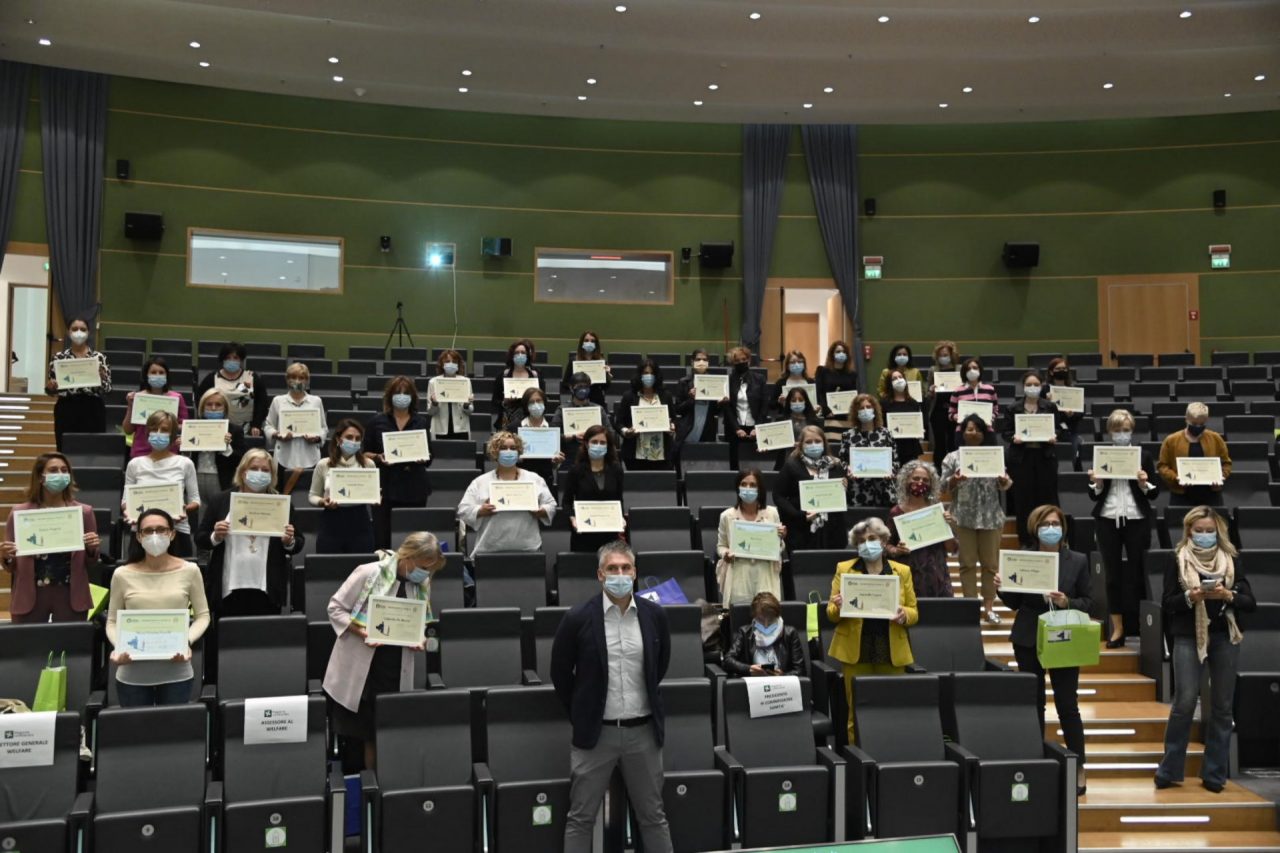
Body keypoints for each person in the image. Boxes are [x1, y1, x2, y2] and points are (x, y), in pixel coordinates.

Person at [550, 540, 673, 853]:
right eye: (612, 568)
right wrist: (583, 712)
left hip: (643, 733)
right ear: (600, 575)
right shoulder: (578, 618)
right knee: (580, 818)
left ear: (634, 573)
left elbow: (659, 666)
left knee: (653, 816)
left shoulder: (654, 616)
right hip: (596, 734)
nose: (620, 574)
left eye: (625, 568)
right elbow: (561, 674)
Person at [1154, 506, 1256, 794]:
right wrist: (1191, 596)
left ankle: (1214, 772)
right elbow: (1168, 603)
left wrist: (1228, 595)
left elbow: (1250, 601)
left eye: (1209, 530)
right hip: (1188, 635)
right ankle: (1170, 769)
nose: (1204, 535)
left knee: (1223, 706)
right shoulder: (1176, 559)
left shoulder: (1232, 559)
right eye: (1199, 531)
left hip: (1225, 634)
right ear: (1189, 531)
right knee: (1185, 700)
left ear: (1218, 531)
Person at [323, 533, 446, 770]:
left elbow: (418, 622)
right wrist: (361, 630)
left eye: (430, 570)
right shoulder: (369, 572)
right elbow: (335, 608)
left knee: (387, 735)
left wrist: (418, 638)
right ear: (408, 557)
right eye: (423, 568)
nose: (426, 574)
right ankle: (364, 793)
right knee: (365, 737)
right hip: (363, 670)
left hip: (395, 667)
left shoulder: (421, 583)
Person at [995, 504, 1091, 795]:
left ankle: (1078, 767)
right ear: (1035, 529)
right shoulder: (1023, 558)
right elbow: (1013, 603)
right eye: (1045, 524)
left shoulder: (1078, 560)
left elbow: (1089, 602)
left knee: (1067, 705)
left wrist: (1066, 602)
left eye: (1055, 523)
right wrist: (1002, 587)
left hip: (1065, 635)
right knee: (1033, 703)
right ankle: (1037, 762)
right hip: (1028, 635)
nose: (1051, 528)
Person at [105, 509, 210, 707]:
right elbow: (112, 621)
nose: (155, 535)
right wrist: (119, 645)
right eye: (148, 530)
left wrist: (186, 640)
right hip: (132, 673)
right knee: (136, 734)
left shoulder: (190, 570)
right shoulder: (121, 574)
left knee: (173, 735)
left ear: (172, 533)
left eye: (161, 530)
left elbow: (203, 616)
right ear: (138, 536)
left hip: (177, 671)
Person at [826, 517, 918, 743]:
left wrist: (904, 614)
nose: (867, 544)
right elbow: (830, 614)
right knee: (855, 710)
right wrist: (837, 606)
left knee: (890, 708)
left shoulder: (902, 571)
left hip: (890, 647)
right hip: (856, 649)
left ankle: (889, 752)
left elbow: (914, 612)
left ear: (884, 541)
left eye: (872, 539)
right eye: (861, 541)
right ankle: (858, 758)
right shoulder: (844, 569)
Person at [198, 449, 303, 618]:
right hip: (228, 586)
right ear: (243, 471)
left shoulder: (281, 504)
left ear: (272, 475)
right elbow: (200, 538)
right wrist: (216, 536)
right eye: (254, 468)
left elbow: (298, 543)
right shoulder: (221, 500)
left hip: (266, 587)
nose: (259, 473)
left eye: (265, 470)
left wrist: (288, 541)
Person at [1, 453, 100, 623]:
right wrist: (6, 555)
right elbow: (10, 565)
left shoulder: (84, 513)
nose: (60, 475)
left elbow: (91, 561)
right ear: (40, 477)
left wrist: (92, 548)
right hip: (31, 596)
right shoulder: (19, 513)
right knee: (29, 648)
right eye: (53, 470)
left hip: (70, 595)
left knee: (70, 648)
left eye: (64, 470)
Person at [1090, 409, 1158, 647]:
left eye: (1126, 430)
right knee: (1112, 575)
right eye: (1117, 430)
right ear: (1110, 432)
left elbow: (1155, 491)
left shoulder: (1144, 455)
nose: (1121, 434)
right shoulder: (1102, 454)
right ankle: (1117, 628)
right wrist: (1097, 483)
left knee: (1138, 572)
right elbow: (1093, 494)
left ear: (1132, 431)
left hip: (1136, 517)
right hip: (1108, 518)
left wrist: (1144, 482)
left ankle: (1140, 625)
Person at [941, 414, 1013, 623]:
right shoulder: (952, 457)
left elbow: (1006, 485)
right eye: (969, 429)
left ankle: (989, 607)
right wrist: (954, 479)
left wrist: (1003, 479)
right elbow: (943, 487)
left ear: (984, 433)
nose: (973, 433)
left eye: (977, 429)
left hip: (990, 517)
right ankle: (970, 606)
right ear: (962, 433)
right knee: (967, 563)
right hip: (963, 518)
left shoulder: (994, 455)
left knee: (990, 564)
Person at [457, 432, 557, 557]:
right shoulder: (480, 482)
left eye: (513, 448)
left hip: (527, 548)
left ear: (519, 451)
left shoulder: (534, 479)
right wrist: (480, 510)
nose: (509, 451)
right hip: (490, 548)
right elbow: (463, 509)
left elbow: (551, 505)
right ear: (495, 452)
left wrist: (540, 511)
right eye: (503, 448)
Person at [365, 375, 432, 548]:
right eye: (397, 393)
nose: (402, 397)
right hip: (385, 488)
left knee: (412, 538)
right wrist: (379, 457)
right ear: (389, 396)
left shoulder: (421, 422)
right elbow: (364, 454)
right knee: (383, 538)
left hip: (414, 487)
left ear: (412, 397)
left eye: (406, 393)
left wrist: (423, 458)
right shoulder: (376, 422)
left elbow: (430, 456)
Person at [124, 410, 200, 556]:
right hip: (142, 532)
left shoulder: (185, 463)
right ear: (147, 433)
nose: (158, 433)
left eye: (164, 430)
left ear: (172, 435)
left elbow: (195, 501)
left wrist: (183, 509)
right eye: (154, 429)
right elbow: (125, 501)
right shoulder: (135, 464)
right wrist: (128, 510)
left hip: (176, 531)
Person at [1002, 370, 1062, 545]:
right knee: (1023, 500)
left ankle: (1049, 540)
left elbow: (1058, 428)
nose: (1032, 388)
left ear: (1042, 385)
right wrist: (1014, 438)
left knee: (1046, 498)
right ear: (1023, 387)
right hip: (1021, 459)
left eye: (1036, 384)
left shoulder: (1050, 407)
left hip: (1045, 457)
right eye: (1029, 385)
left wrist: (1054, 436)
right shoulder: (1013, 408)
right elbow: (1005, 432)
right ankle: (1026, 542)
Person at [774, 425, 850, 553]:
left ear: (824, 443)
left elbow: (843, 497)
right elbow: (778, 496)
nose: (813, 444)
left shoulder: (836, 465)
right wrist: (800, 515)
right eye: (808, 442)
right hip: (800, 528)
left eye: (817, 441)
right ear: (801, 445)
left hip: (832, 528)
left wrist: (847, 487)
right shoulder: (791, 465)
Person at [886, 460, 956, 598]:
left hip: (937, 577)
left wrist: (948, 526)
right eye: (916, 478)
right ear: (906, 480)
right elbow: (885, 545)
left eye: (925, 480)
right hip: (907, 576)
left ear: (931, 485)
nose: (920, 483)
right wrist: (896, 550)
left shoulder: (937, 511)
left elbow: (951, 549)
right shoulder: (896, 512)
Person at [715, 469, 785, 605]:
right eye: (744, 484)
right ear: (738, 487)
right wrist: (725, 554)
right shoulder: (726, 516)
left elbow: (779, 548)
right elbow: (721, 546)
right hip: (739, 575)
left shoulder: (772, 513)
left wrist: (780, 538)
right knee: (739, 619)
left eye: (753, 485)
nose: (748, 488)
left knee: (767, 617)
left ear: (760, 489)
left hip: (765, 574)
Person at [309, 419, 378, 554]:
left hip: (361, 522)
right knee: (329, 570)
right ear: (338, 439)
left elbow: (373, 493)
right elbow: (312, 496)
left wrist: (375, 497)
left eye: (358, 438)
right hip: (332, 521)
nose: (353, 441)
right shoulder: (324, 464)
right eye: (349, 437)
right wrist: (322, 502)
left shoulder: (368, 464)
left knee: (361, 567)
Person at [45, 317, 110, 448]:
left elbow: (107, 389)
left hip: (93, 408)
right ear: (68, 332)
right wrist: (50, 387)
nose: (78, 332)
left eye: (83, 329)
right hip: (67, 407)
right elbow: (52, 390)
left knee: (93, 448)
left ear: (88, 332)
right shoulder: (59, 357)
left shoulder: (99, 357)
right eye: (74, 329)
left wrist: (102, 378)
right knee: (66, 447)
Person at [560, 425, 626, 553]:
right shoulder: (576, 470)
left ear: (608, 446)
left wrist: (621, 517)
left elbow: (619, 499)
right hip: (584, 533)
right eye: (594, 442)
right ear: (586, 444)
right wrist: (573, 518)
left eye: (602, 443)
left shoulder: (616, 469)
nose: (598, 445)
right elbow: (566, 503)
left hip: (609, 533)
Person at [1158, 402, 1231, 507]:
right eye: (1194, 423)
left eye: (1201, 424)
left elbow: (1226, 463)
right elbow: (1162, 466)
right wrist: (1176, 477)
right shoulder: (1171, 440)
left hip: (1211, 495)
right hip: (1181, 495)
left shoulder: (1216, 438)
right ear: (1186, 419)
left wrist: (1221, 476)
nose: (1198, 427)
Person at [263, 361, 326, 476]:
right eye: (293, 377)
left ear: (307, 381)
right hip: (284, 456)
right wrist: (277, 435)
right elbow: (268, 426)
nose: (297, 381)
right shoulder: (278, 401)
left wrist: (317, 438)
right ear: (287, 380)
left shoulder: (316, 401)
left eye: (301, 378)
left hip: (310, 456)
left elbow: (323, 428)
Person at [194, 341, 269, 437]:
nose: (231, 361)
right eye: (228, 358)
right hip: (217, 428)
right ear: (223, 359)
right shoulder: (212, 378)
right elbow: (200, 400)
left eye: (235, 358)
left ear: (241, 360)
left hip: (247, 429)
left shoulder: (252, 377)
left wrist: (256, 425)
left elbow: (262, 403)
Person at [723, 592, 806, 677]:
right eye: (760, 620)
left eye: (770, 620)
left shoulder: (790, 633)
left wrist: (783, 675)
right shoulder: (745, 633)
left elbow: (800, 670)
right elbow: (728, 660)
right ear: (754, 616)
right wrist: (748, 669)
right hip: (754, 684)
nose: (765, 625)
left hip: (781, 684)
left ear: (777, 616)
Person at [124, 357, 189, 459]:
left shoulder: (176, 398)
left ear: (167, 375)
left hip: (168, 452)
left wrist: (169, 424)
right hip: (141, 453)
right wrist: (130, 405)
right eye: (153, 372)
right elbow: (128, 430)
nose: (157, 375)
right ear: (146, 375)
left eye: (161, 372)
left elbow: (185, 427)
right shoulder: (138, 398)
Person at [841, 394, 898, 508]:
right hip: (858, 490)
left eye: (868, 407)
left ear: (874, 410)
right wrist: (848, 468)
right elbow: (843, 461)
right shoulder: (847, 435)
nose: (865, 410)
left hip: (883, 489)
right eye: (861, 408)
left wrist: (890, 470)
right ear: (856, 412)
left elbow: (895, 461)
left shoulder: (886, 434)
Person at [616, 359, 675, 470]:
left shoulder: (666, 396)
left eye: (652, 373)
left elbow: (674, 419)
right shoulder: (629, 396)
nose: (649, 376)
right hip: (635, 455)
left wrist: (672, 426)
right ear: (640, 375)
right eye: (646, 373)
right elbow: (618, 423)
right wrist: (626, 431)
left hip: (662, 455)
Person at [192, 389, 245, 503]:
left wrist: (226, 447)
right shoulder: (193, 427)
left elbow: (241, 459)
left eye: (218, 404)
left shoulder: (235, 430)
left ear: (225, 408)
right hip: (196, 476)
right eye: (209, 404)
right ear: (202, 407)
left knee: (219, 513)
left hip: (221, 477)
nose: (213, 408)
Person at [673, 348, 726, 449]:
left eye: (705, 360)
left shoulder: (715, 383)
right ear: (692, 362)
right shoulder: (684, 382)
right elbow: (678, 409)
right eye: (698, 359)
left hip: (707, 429)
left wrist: (721, 403)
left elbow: (716, 412)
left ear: (708, 363)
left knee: (705, 461)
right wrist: (691, 399)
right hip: (688, 429)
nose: (701, 362)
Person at [724, 346, 767, 469]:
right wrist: (737, 429)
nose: (741, 362)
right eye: (737, 361)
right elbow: (727, 408)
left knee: (758, 460)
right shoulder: (728, 380)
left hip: (755, 425)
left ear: (749, 360)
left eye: (744, 359)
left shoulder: (759, 379)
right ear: (733, 363)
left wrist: (757, 428)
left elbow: (764, 406)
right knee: (733, 460)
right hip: (734, 428)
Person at [557, 370, 612, 464]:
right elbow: (555, 435)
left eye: (586, 387)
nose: (583, 390)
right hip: (570, 456)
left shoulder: (598, 409)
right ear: (571, 388)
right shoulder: (562, 409)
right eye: (579, 387)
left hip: (595, 455)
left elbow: (610, 432)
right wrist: (572, 436)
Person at [516, 386, 565, 486]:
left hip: (545, 480)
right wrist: (516, 457)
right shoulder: (515, 427)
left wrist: (557, 461)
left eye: (539, 401)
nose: (536, 405)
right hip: (520, 479)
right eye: (531, 402)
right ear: (526, 405)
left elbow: (554, 465)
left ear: (544, 403)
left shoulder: (553, 429)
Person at [424, 349, 475, 440]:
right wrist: (434, 404)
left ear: (458, 364)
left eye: (454, 361)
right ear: (442, 364)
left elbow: (470, 411)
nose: (451, 364)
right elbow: (430, 412)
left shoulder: (465, 381)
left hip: (461, 429)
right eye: (447, 361)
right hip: (440, 429)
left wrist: (467, 405)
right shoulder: (433, 382)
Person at [492, 338, 541, 431]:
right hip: (506, 422)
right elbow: (494, 401)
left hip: (529, 421)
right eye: (517, 352)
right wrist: (504, 401)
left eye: (523, 352)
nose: (520, 355)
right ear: (512, 355)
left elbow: (542, 398)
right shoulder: (503, 375)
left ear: (527, 355)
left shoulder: (535, 375)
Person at [927, 340, 960, 473]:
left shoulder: (959, 369)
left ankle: (953, 470)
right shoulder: (933, 370)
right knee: (939, 443)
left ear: (952, 355)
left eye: (946, 354)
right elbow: (927, 393)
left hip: (955, 411)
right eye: (941, 355)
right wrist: (931, 390)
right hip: (938, 411)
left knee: (953, 442)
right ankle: (939, 471)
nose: (943, 357)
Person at [880, 367, 925, 464]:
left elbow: (918, 423)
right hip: (892, 446)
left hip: (910, 446)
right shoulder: (884, 403)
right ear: (889, 384)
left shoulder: (914, 403)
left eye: (900, 377)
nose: (898, 380)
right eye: (894, 379)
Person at [774, 386, 823, 470]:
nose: (797, 402)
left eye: (800, 400)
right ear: (788, 402)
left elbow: (822, 444)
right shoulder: (781, 420)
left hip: (810, 463)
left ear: (806, 401)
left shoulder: (815, 421)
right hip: (785, 462)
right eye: (793, 400)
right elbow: (775, 443)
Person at [815, 340, 858, 434]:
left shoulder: (852, 374)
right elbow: (819, 393)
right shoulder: (822, 371)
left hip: (847, 417)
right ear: (832, 354)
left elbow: (854, 394)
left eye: (844, 352)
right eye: (838, 352)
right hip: (829, 416)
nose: (841, 354)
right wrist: (826, 410)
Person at [948, 357, 998, 436]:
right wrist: (955, 416)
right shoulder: (957, 391)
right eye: (968, 369)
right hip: (963, 432)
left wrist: (991, 416)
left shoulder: (990, 389)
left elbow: (995, 410)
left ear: (980, 370)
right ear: (964, 372)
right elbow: (951, 413)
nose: (972, 371)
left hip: (986, 431)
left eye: (975, 368)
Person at [561, 331, 611, 408]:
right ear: (582, 343)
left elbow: (606, 386)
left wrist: (607, 375)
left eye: (592, 341)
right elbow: (565, 384)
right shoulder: (574, 361)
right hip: (578, 400)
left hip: (597, 400)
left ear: (596, 344)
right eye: (586, 340)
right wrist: (576, 385)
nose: (589, 343)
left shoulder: (602, 362)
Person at [1046, 357, 1083, 454]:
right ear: (1051, 372)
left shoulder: (1074, 390)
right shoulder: (1044, 391)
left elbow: (1081, 413)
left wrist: (1072, 415)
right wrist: (1046, 403)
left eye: (1064, 369)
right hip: (1049, 432)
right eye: (1058, 369)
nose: (1061, 371)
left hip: (1070, 431)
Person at [770, 350, 813, 416]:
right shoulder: (781, 383)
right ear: (787, 366)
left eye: (800, 362)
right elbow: (771, 405)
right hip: (787, 419)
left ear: (804, 364)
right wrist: (779, 402)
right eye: (792, 362)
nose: (797, 364)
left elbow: (817, 402)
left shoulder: (811, 382)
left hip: (808, 419)